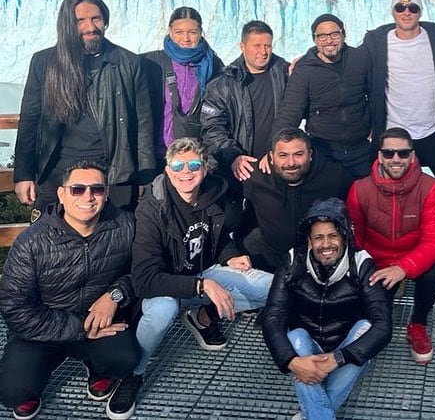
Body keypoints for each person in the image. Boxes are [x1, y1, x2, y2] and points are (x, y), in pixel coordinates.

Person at [119, 137, 273, 418]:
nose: (185, 172)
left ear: (204, 169)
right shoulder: (152, 208)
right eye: (177, 165)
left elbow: (216, 236)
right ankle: (135, 373)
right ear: (167, 169)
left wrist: (229, 256)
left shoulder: (214, 194)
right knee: (163, 310)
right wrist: (202, 285)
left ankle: (200, 316)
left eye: (193, 164)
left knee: (271, 288)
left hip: (203, 273)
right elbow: (143, 279)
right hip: (166, 285)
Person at [0, 161, 139, 420]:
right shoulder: (31, 242)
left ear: (106, 193)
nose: (88, 196)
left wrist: (115, 294)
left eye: (97, 189)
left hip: (98, 324)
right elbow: (15, 309)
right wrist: (79, 327)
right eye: (77, 189)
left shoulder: (125, 226)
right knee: (13, 391)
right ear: (61, 194)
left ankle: (95, 366)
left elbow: (142, 272)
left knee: (124, 359)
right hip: (43, 330)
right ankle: (32, 386)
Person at [14, 0, 156, 213]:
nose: (90, 27)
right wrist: (23, 174)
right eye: (80, 20)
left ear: (105, 20)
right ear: (67, 24)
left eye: (96, 18)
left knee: (115, 241)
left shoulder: (128, 63)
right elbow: (30, 120)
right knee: (52, 241)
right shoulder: (45, 62)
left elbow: (143, 124)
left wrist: (145, 177)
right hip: (56, 173)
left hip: (115, 173)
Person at [262, 197, 392, 420]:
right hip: (307, 346)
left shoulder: (361, 263)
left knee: (365, 328)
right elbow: (272, 316)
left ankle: (311, 413)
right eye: (318, 237)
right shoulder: (293, 262)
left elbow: (383, 325)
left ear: (344, 237)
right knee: (296, 338)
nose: (326, 245)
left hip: (344, 346)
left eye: (333, 236)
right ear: (309, 241)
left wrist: (338, 358)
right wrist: (293, 362)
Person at [346, 128, 435, 364]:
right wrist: (366, 268)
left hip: (412, 255)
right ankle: (381, 313)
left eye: (403, 153)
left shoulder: (430, 187)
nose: (396, 159)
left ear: (412, 156)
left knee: (431, 274)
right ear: (379, 156)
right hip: (377, 259)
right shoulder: (360, 189)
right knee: (375, 317)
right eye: (389, 153)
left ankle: (418, 323)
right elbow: (355, 239)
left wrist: (403, 267)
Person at [362, 0, 435, 189]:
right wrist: (310, 56)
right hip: (394, 132)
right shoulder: (377, 42)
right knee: (386, 190)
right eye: (400, 8)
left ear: (420, 12)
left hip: (433, 130)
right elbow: (350, 61)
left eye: (413, 8)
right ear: (393, 12)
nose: (406, 13)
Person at [272, 13, 373, 178]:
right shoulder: (305, 70)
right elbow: (290, 111)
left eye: (334, 34)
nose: (329, 40)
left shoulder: (360, 58)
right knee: (327, 203)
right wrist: (274, 147)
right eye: (322, 36)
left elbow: (375, 95)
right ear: (315, 39)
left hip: (361, 151)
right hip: (324, 153)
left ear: (343, 35)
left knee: (363, 201)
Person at [242, 128, 353, 271]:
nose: (291, 162)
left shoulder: (334, 176)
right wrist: (233, 158)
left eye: (298, 154)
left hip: (317, 257)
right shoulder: (255, 177)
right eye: (283, 155)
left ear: (310, 154)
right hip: (270, 253)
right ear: (271, 156)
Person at [200, 20, 289, 188]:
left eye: (267, 46)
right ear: (242, 46)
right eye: (257, 46)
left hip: (277, 168)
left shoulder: (285, 73)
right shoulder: (223, 83)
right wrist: (233, 156)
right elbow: (212, 128)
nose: (263, 52)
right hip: (237, 172)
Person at [141, 6, 224, 160]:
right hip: (157, 154)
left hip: (196, 158)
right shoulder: (151, 63)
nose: (185, 38)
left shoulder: (213, 65)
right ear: (170, 31)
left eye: (192, 32)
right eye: (179, 32)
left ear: (200, 32)